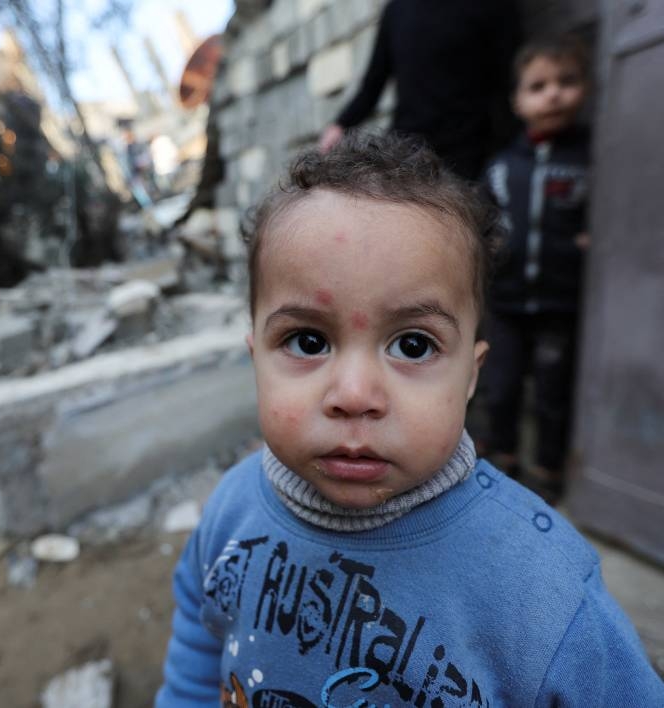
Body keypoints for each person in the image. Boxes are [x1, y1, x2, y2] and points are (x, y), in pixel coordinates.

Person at [155, 134, 663, 706]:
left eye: (414, 346)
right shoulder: (232, 509)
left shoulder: (542, 591)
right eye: (307, 340)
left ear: (470, 377)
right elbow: (200, 641)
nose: (354, 395)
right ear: (256, 359)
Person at [480, 36, 592, 503]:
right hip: (505, 303)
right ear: (518, 101)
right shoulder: (504, 166)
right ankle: (501, 458)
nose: (553, 94)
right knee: (500, 386)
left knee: (552, 393)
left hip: (558, 303)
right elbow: (483, 219)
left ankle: (548, 469)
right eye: (538, 86)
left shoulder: (590, 159)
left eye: (566, 82)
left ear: (584, 89)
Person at [318, 0, 520, 180]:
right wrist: (341, 125)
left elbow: (509, 82)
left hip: (469, 153)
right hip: (406, 150)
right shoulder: (397, 10)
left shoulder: (492, 5)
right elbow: (373, 83)